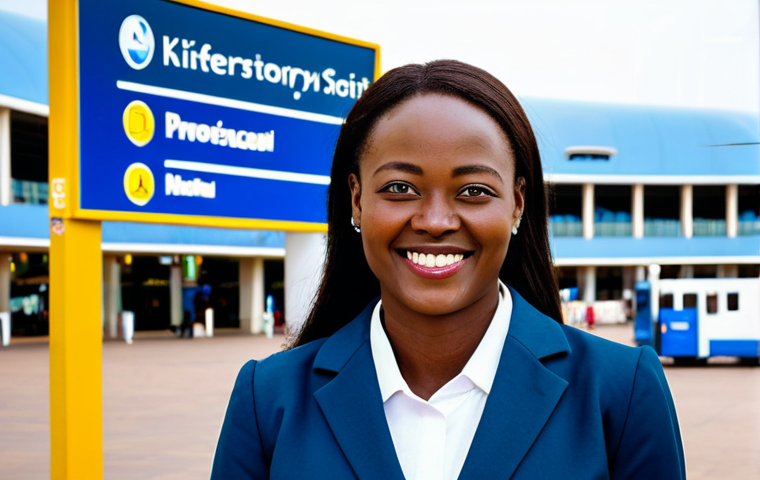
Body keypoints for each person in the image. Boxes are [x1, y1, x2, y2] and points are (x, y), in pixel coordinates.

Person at [211, 60, 685, 479]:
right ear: (356, 200)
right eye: (400, 187)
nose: (435, 222)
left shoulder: (620, 393)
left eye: (474, 191)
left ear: (517, 204)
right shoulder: (267, 400)